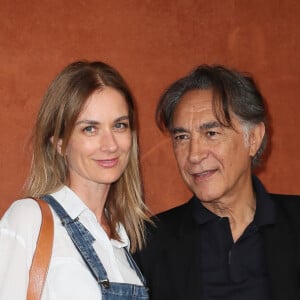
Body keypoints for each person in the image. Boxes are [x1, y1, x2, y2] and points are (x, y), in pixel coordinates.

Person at [133, 65, 300, 300]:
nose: (193, 155)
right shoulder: (148, 243)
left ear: (253, 138)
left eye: (211, 133)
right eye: (182, 137)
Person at [0, 60, 150, 300]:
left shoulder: (123, 239)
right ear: (59, 143)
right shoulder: (30, 219)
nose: (110, 145)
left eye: (119, 125)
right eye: (90, 129)